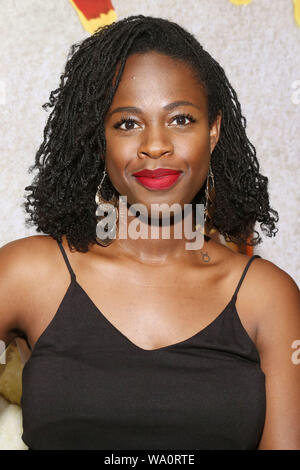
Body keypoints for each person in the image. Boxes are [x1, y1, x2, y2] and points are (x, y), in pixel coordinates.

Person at [0, 15, 299, 450]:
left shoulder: (268, 296)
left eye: (180, 119)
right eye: (127, 123)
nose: (155, 145)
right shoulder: (27, 274)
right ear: (97, 137)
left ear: (213, 131)